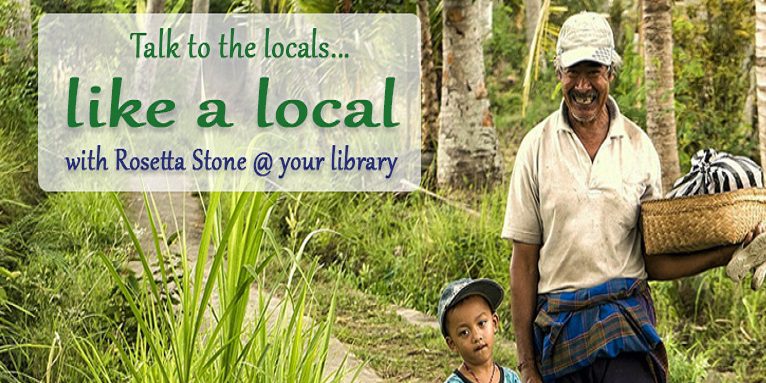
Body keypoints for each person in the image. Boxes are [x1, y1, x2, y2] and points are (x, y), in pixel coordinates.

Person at [501, 11, 763, 383]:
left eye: (593, 71)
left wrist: (725, 253)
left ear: (610, 72)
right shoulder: (535, 148)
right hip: (560, 334)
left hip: (626, 328)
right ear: (558, 73)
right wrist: (527, 366)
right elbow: (523, 263)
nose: (582, 85)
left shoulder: (639, 147)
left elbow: (652, 261)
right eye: (573, 72)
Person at [438, 278, 522, 383]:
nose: (477, 336)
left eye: (481, 323)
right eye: (464, 332)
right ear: (452, 344)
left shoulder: (511, 378)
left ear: (494, 323)